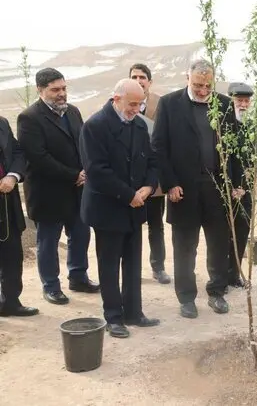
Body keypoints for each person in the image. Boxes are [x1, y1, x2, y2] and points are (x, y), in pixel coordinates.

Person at [151, 59, 236, 318]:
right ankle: (186, 297)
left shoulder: (223, 104)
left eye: (207, 85)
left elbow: (231, 150)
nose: (202, 90)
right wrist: (169, 184)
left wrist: (234, 184)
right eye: (198, 85)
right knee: (185, 246)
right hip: (182, 189)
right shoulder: (169, 104)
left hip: (216, 188)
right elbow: (159, 147)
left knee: (219, 243)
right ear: (187, 78)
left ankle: (217, 292)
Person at [79, 79, 160, 338]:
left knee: (133, 261)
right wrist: (129, 195)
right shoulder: (95, 126)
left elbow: (152, 161)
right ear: (116, 99)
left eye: (140, 104)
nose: (136, 109)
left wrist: (148, 187)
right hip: (108, 206)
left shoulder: (138, 125)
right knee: (110, 264)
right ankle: (113, 316)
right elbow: (96, 171)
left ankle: (134, 312)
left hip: (136, 205)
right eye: (132, 104)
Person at [17, 67, 99, 305]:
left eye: (63, 88)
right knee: (48, 242)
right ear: (40, 90)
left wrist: (85, 171)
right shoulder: (29, 118)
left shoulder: (72, 112)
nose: (61, 93)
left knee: (81, 235)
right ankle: (51, 286)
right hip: (48, 193)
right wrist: (74, 175)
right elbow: (38, 158)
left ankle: (78, 277)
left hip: (78, 191)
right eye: (55, 90)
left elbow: (82, 144)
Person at [129, 63, 170, 285]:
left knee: (156, 224)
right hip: (130, 178)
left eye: (142, 77)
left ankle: (158, 267)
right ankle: (132, 267)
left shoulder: (161, 104)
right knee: (132, 225)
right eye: (134, 76)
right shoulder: (122, 103)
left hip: (155, 177)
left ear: (150, 81)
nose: (138, 80)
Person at [225, 81, 257, 290]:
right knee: (222, 235)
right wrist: (231, 186)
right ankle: (220, 277)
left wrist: (245, 183)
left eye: (246, 101)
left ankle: (234, 274)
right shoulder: (222, 125)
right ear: (230, 101)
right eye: (238, 100)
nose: (242, 104)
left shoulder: (252, 126)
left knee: (241, 233)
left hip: (245, 192)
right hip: (224, 191)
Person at [0, 116, 39, 318]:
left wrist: (13, 175)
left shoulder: (2, 123)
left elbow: (17, 151)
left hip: (6, 200)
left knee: (12, 254)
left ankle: (10, 302)